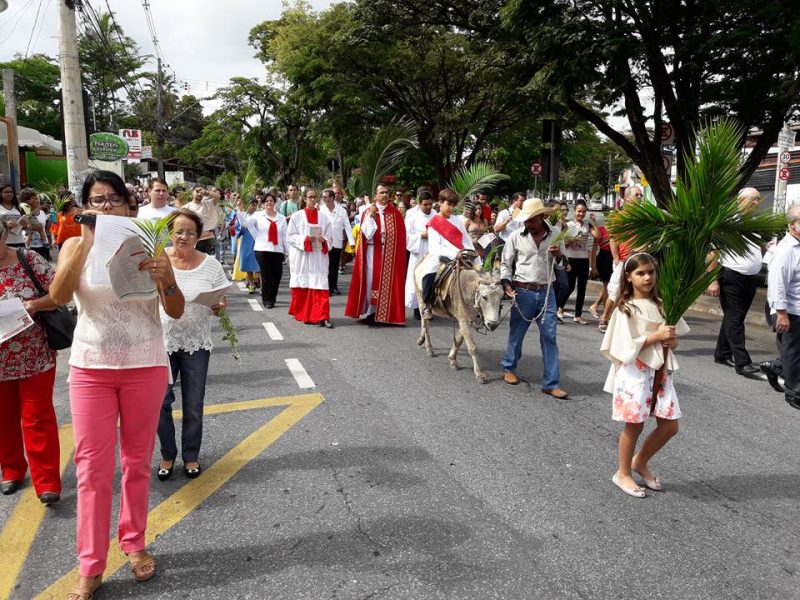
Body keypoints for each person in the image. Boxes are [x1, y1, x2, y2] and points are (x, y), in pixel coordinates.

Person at [49, 170, 184, 595]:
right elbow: (57, 297)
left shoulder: (150, 244)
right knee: (91, 469)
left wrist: (166, 278)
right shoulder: (73, 245)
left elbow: (175, 310)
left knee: (137, 462)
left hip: (145, 363)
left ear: (129, 207)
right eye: (97, 200)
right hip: (91, 367)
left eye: (114, 200)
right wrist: (86, 245)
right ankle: (90, 563)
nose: (106, 206)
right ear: (85, 207)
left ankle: (134, 542)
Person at [600, 252, 688, 498]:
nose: (647, 277)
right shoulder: (625, 309)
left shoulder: (663, 304)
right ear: (629, 277)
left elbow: (673, 339)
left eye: (651, 272)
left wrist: (670, 340)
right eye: (640, 273)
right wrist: (655, 337)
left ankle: (640, 461)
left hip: (660, 372)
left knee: (670, 425)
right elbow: (623, 346)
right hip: (635, 373)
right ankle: (622, 472)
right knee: (634, 425)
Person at [157, 209, 228, 482]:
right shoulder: (159, 260)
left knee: (194, 404)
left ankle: (190, 456)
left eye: (190, 233)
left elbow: (221, 300)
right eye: (179, 231)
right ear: (170, 234)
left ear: (199, 236)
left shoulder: (211, 265)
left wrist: (219, 306)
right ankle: (167, 453)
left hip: (196, 343)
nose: (184, 237)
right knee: (160, 403)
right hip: (162, 341)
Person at [0, 226, 61, 504]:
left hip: (35, 355)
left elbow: (59, 295)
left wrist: (34, 305)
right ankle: (11, 469)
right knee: (3, 419)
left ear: (3, 235)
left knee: (37, 418)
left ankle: (47, 481)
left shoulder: (29, 259)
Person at [500, 198, 568, 397]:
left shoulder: (555, 234)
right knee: (517, 333)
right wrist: (506, 284)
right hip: (523, 291)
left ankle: (551, 383)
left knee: (549, 337)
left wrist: (559, 255)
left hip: (547, 293)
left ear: (542, 217)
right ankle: (509, 367)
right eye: (526, 220)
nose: (528, 224)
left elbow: (564, 265)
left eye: (532, 220)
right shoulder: (515, 236)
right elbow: (506, 264)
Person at [707, 188, 765, 379]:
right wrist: (712, 280)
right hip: (732, 276)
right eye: (753, 199)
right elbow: (713, 252)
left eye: (758, 199)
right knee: (735, 318)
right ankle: (742, 362)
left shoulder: (754, 223)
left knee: (734, 317)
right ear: (740, 200)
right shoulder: (728, 223)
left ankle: (722, 354)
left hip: (751, 278)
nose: (756, 202)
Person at [345, 184, 407, 325]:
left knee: (388, 285)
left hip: (390, 253)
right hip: (372, 251)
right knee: (371, 282)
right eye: (381, 193)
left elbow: (401, 236)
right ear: (375, 196)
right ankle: (371, 313)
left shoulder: (395, 213)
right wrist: (371, 216)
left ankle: (385, 314)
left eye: (387, 192)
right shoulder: (368, 212)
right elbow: (367, 233)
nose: (385, 195)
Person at [418, 189, 478, 319]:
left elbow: (466, 240)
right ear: (440, 202)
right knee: (430, 271)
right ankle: (426, 303)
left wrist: (471, 252)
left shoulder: (457, 221)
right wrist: (454, 253)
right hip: (442, 255)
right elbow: (435, 247)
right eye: (448, 204)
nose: (451, 208)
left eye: (453, 205)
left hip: (461, 254)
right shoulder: (434, 222)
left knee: (478, 272)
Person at [763, 205, 800, 409]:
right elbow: (777, 284)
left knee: (796, 350)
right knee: (793, 350)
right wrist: (781, 313)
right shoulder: (786, 250)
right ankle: (794, 393)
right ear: (793, 225)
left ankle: (776, 367)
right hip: (791, 310)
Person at [599, 185, 646, 332]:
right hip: (623, 260)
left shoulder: (643, 217)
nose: (640, 197)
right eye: (637, 195)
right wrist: (616, 259)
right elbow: (613, 240)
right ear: (627, 198)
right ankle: (604, 317)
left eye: (641, 195)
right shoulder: (620, 217)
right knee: (615, 291)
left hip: (638, 260)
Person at [287, 188, 334, 328]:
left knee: (320, 285)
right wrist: (306, 239)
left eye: (314, 197)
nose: (313, 199)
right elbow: (290, 236)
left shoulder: (324, 218)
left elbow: (330, 237)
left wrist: (324, 240)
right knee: (305, 284)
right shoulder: (297, 216)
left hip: (318, 257)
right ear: (304, 199)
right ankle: (305, 314)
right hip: (303, 257)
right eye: (310, 197)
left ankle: (323, 316)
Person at [558, 200, 596, 324]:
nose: (581, 214)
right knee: (569, 286)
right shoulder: (568, 225)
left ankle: (578, 315)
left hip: (583, 259)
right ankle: (560, 307)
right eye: (579, 211)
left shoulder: (587, 225)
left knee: (582, 288)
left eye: (583, 212)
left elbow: (598, 236)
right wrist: (572, 240)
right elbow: (562, 243)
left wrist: (594, 222)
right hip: (571, 259)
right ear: (574, 211)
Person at [247, 192, 287, 308]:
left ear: (274, 203)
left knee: (277, 276)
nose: (269, 203)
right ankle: (267, 300)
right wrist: (257, 236)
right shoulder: (258, 215)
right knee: (266, 276)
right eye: (267, 201)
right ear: (263, 203)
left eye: (271, 201)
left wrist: (288, 251)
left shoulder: (281, 218)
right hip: (262, 249)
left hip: (277, 250)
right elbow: (247, 224)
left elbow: (285, 235)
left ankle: (272, 297)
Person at [404, 190, 435, 319]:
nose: (428, 207)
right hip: (418, 253)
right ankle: (418, 307)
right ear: (419, 204)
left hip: (433, 253)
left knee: (432, 279)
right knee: (417, 280)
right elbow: (406, 236)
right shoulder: (413, 217)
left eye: (430, 204)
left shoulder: (436, 216)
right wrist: (421, 235)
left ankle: (430, 305)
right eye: (425, 204)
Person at [320, 188, 352, 296]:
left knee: (334, 265)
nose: (324, 198)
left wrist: (352, 243)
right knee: (326, 265)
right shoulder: (320, 209)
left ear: (332, 198)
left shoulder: (341, 211)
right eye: (323, 197)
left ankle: (333, 286)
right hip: (324, 241)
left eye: (326, 197)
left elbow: (347, 226)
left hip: (337, 241)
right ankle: (328, 288)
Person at [588, 214, 613, 318]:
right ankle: (605, 313)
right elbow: (594, 249)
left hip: (613, 258)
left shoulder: (618, 230)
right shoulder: (601, 229)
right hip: (604, 258)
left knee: (610, 286)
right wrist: (593, 267)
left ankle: (595, 306)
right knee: (608, 286)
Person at [184, 185, 220, 256]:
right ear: (192, 193)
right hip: (194, 239)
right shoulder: (186, 207)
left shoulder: (208, 204)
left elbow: (218, 196)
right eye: (197, 191)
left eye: (201, 192)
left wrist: (206, 192)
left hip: (208, 238)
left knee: (207, 260)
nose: (199, 194)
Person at [236, 199, 261, 293]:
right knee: (247, 262)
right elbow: (238, 227)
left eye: (255, 205)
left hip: (257, 241)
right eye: (251, 205)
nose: (253, 207)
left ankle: (261, 284)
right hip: (246, 241)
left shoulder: (259, 215)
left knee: (258, 263)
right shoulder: (243, 215)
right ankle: (251, 283)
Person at [0, 184, 29, 249]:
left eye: (11, 192)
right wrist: (5, 224)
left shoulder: (19, 207)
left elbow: (26, 226)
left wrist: (24, 225)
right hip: (4, 242)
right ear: (1, 194)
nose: (9, 194)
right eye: (6, 192)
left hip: (20, 241)